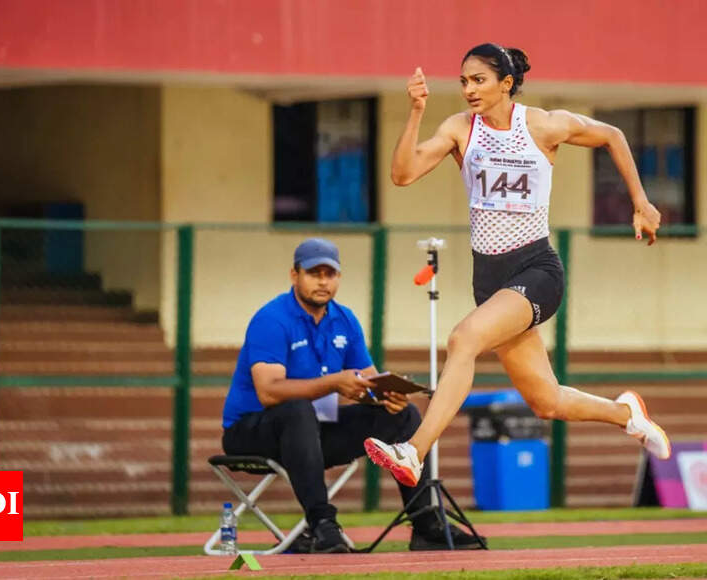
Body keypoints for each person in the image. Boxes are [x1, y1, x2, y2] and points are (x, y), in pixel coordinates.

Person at [365, 44, 671, 487]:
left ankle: (414, 451)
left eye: (479, 80)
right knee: (546, 401)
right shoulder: (459, 129)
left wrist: (640, 201)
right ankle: (627, 414)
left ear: (505, 84)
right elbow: (403, 174)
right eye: (464, 81)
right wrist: (414, 112)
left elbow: (612, 135)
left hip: (536, 270)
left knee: (463, 338)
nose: (468, 89)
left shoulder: (542, 125)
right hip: (489, 279)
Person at [221, 237, 482, 552]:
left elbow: (368, 380)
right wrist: (335, 383)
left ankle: (426, 524)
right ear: (294, 275)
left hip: (311, 433)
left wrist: (388, 396)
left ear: (338, 278)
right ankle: (321, 524)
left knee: (403, 414)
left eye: (329, 274)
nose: (322, 281)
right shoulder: (272, 319)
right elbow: (268, 392)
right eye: (313, 273)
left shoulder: (344, 320)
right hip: (249, 432)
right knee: (298, 410)